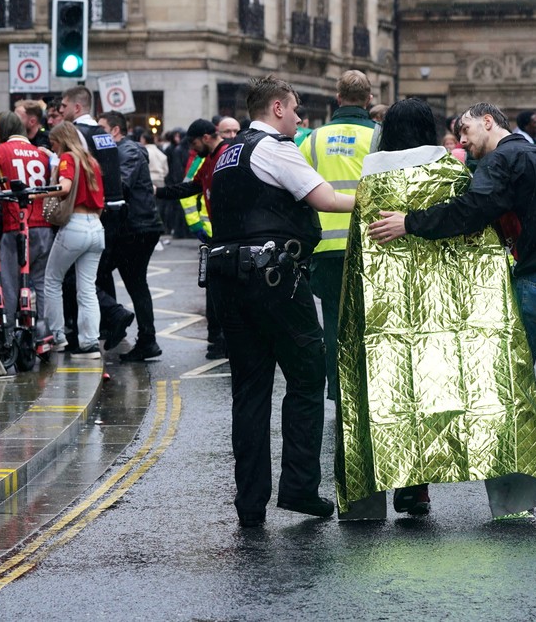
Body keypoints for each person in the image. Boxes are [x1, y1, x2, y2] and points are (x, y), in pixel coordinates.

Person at [369, 101, 536, 511]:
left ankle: (520, 492)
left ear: (489, 121)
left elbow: (470, 211)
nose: (461, 140)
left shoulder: (503, 160)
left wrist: (410, 222)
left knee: (504, 385)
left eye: (466, 130)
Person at [336, 99, 536, 519]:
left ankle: (408, 488)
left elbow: (359, 260)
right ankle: (509, 495)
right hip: (453, 309)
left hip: (389, 314)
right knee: (478, 386)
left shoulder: (371, 184)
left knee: (393, 390)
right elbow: (476, 232)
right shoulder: (452, 174)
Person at [206, 75, 355, 528]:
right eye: (294, 110)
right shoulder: (275, 148)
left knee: (249, 393)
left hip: (228, 280)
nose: (299, 118)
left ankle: (250, 503)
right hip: (276, 280)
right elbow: (326, 198)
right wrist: (379, 199)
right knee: (308, 378)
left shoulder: (226, 154)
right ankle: (299, 488)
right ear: (275, 109)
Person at [298, 69, 379, 402]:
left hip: (325, 247)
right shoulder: (378, 135)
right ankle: (368, 390)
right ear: (369, 99)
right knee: (368, 320)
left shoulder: (313, 139)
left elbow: (299, 189)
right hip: (369, 242)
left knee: (332, 320)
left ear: (337, 98)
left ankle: (340, 389)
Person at [60, 86, 134, 349]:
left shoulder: (79, 134)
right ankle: (111, 325)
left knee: (77, 276)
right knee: (100, 273)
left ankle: (113, 315)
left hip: (96, 211)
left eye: (64, 106)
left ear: (77, 107)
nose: (61, 111)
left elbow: (82, 173)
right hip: (116, 210)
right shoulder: (102, 133)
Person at [158, 118, 229, 359]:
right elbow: (191, 187)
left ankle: (227, 341)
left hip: (231, 236)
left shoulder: (226, 154)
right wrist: (158, 192)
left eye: (194, 142)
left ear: (207, 137)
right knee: (214, 291)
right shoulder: (208, 160)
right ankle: (218, 340)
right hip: (215, 236)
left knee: (224, 292)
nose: (192, 148)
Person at [97, 111, 164, 360]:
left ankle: (125, 324)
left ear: (115, 130)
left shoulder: (128, 151)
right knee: (125, 281)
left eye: (101, 128)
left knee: (108, 275)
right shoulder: (121, 151)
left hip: (137, 228)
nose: (97, 134)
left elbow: (120, 185)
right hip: (133, 227)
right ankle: (128, 328)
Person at [41, 121, 106, 359]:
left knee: (52, 280)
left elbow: (65, 187)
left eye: (54, 143)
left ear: (62, 140)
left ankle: (57, 337)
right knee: (87, 288)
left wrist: (37, 192)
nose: (54, 148)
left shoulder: (68, 158)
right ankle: (89, 344)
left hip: (75, 225)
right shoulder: (92, 161)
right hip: (96, 228)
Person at [0, 111, 54, 328]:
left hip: (16, 223)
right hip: (43, 225)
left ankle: (10, 329)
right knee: (42, 282)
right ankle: (45, 330)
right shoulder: (41, 153)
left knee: (9, 281)